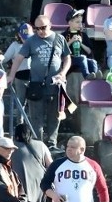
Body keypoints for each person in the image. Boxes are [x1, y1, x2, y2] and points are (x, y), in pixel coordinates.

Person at [7, 14, 70, 152]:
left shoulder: (59, 39)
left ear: (50, 25)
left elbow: (67, 58)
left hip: (56, 85)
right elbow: (18, 58)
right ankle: (38, 144)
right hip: (36, 85)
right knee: (36, 118)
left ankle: (52, 143)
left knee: (55, 116)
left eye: (43, 27)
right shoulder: (31, 41)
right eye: (37, 28)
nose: (41, 31)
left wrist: (63, 73)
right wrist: (11, 75)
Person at [11, 122, 52, 202]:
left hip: (17, 185)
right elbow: (50, 164)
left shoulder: (12, 147)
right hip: (37, 185)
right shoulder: (41, 145)